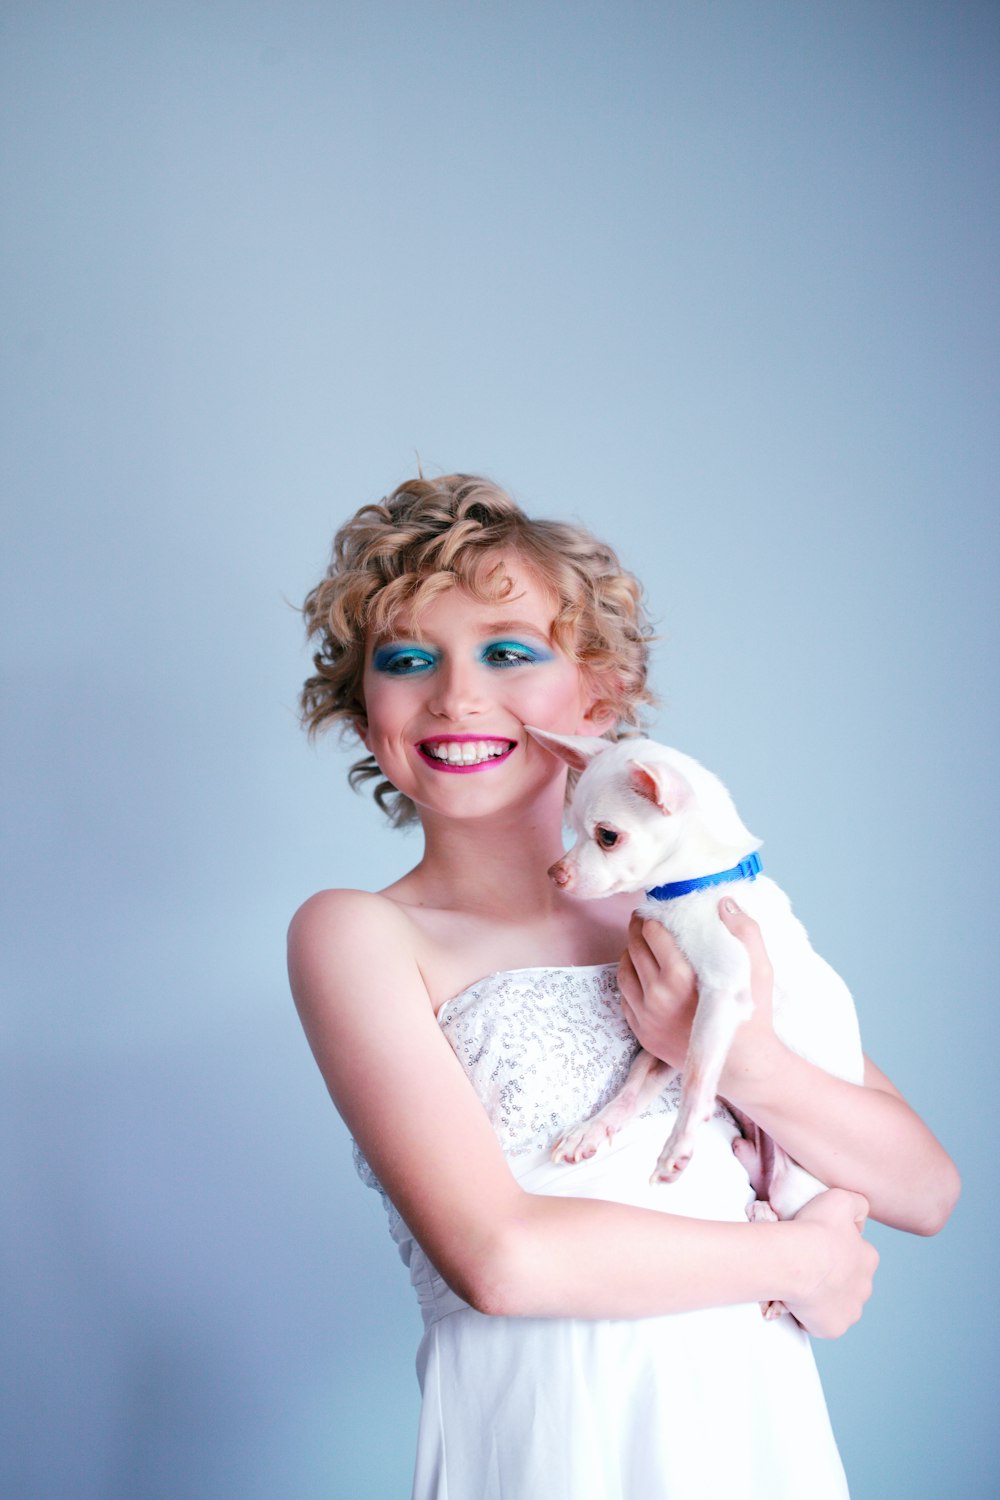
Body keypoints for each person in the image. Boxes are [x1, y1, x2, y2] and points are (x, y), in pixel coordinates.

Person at [288, 474, 959, 1500]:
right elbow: (501, 1262)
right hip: (544, 1436)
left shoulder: (691, 918)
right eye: (407, 659)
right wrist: (798, 1264)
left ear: (597, 693)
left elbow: (924, 1188)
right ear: (365, 708)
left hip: (746, 1432)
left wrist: (744, 1055)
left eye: (508, 651)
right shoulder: (360, 936)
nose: (457, 695)